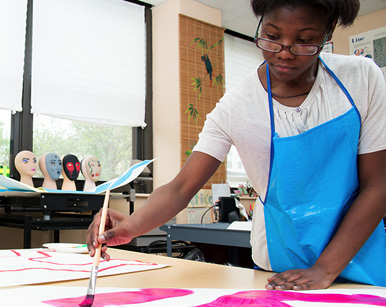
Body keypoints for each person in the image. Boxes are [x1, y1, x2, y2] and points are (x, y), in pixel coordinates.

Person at [87, 0, 385, 291]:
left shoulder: (362, 78)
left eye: (304, 41)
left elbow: (377, 185)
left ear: (328, 31)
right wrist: (133, 224)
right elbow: (181, 187)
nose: (284, 53)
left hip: (359, 258)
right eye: (271, 36)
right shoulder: (237, 107)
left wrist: (324, 268)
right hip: (282, 265)